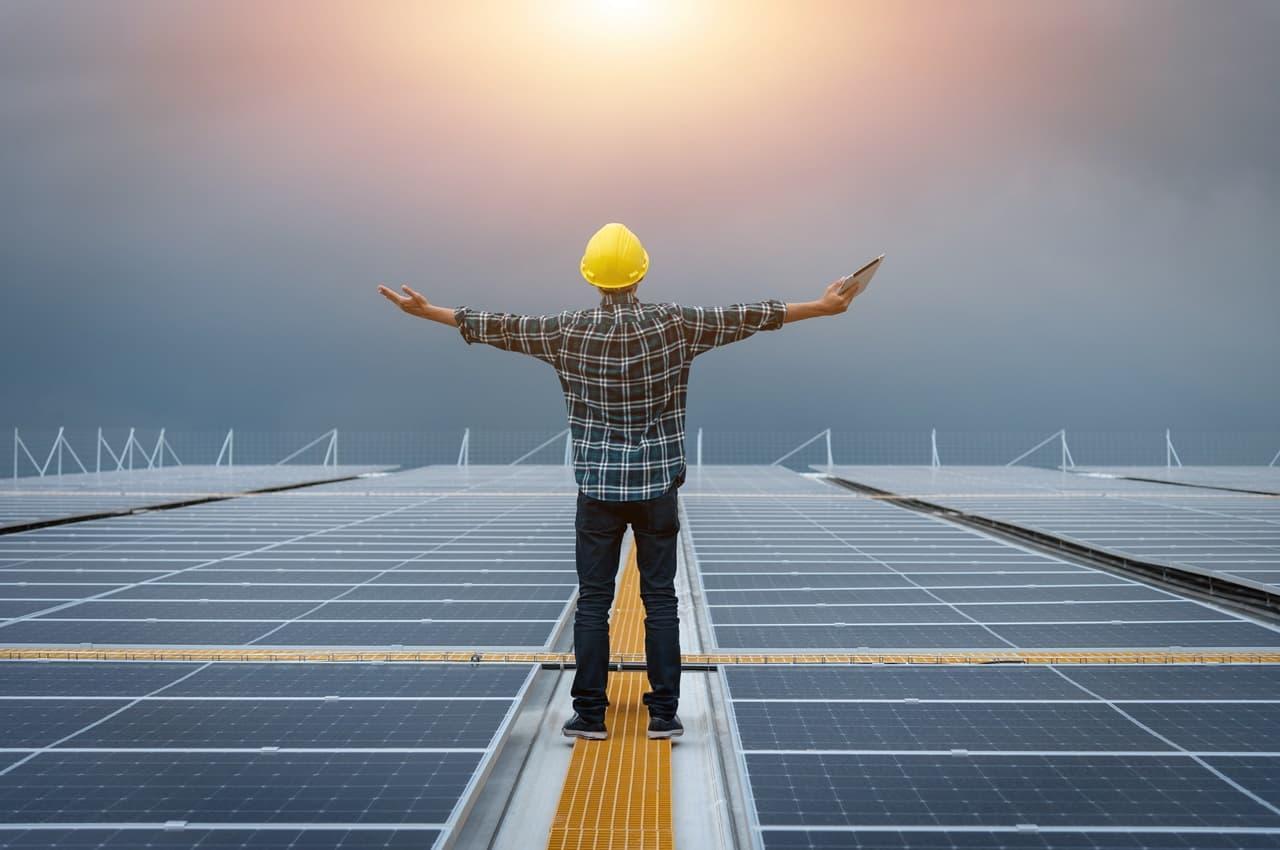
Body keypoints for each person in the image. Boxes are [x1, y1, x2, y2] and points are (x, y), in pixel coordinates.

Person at [378, 222, 866, 741]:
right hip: (657, 487)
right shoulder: (675, 323)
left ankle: (589, 715)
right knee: (659, 599)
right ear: (641, 274)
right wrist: (822, 305)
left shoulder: (565, 330)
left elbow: (498, 325)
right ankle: (663, 714)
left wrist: (427, 312)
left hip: (597, 491)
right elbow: (751, 315)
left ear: (592, 278)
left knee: (594, 599)